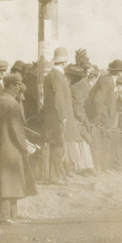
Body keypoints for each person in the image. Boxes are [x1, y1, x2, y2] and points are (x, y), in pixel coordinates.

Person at [0, 74, 37, 224]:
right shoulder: (12, 103)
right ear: (13, 85)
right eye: (18, 85)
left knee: (0, 181)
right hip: (11, 147)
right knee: (11, 183)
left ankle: (7, 215)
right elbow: (16, 129)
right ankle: (5, 216)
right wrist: (25, 147)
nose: (20, 88)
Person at [41, 47, 78, 183]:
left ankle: (59, 174)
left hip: (53, 117)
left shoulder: (52, 75)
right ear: (64, 63)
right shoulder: (57, 76)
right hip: (57, 118)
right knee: (58, 146)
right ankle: (55, 176)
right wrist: (62, 117)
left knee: (58, 146)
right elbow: (58, 99)